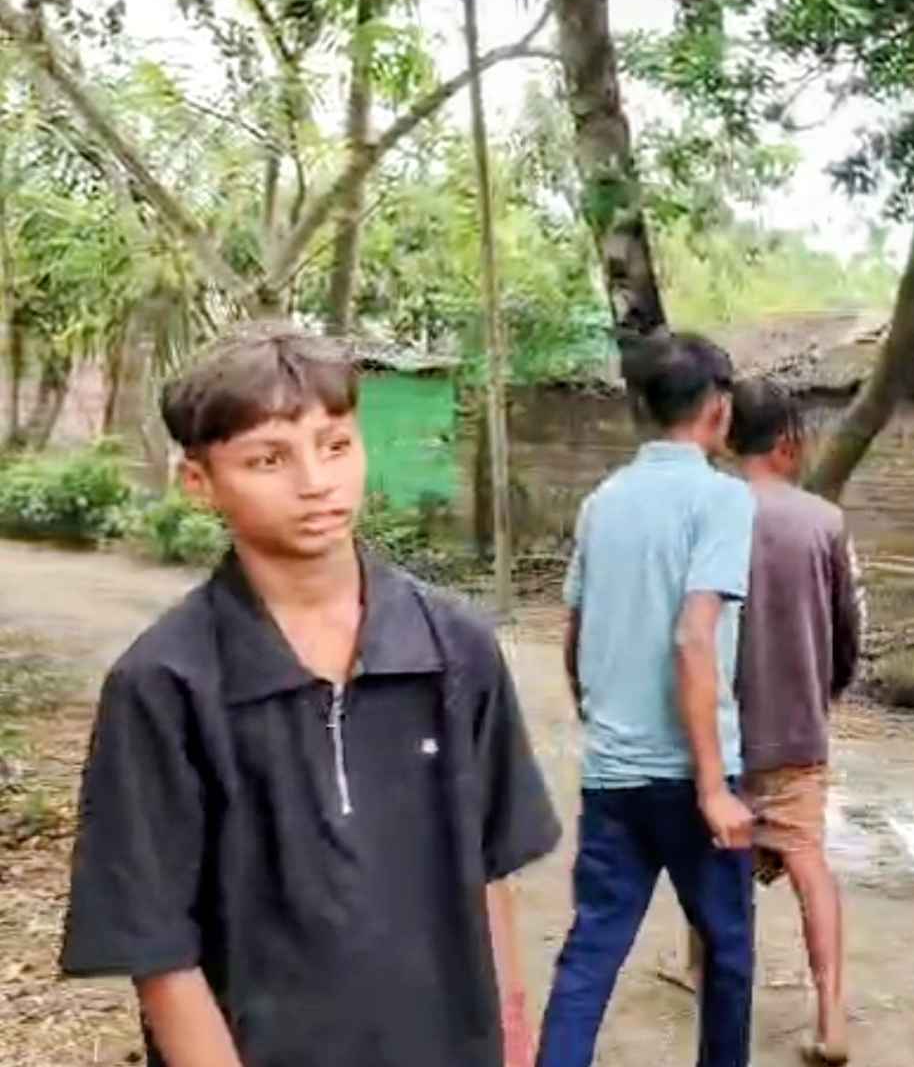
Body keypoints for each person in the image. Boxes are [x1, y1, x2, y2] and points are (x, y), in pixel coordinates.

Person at [60, 323, 560, 1067]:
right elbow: (160, 952)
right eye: (269, 459)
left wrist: (514, 1042)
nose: (315, 481)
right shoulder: (164, 686)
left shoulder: (456, 650)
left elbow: (490, 871)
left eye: (335, 445)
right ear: (199, 481)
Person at [536, 333, 758, 1067]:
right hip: (693, 779)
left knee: (591, 949)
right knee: (726, 953)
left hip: (614, 776)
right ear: (719, 408)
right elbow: (694, 637)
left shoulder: (603, 502)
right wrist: (712, 788)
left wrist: (598, 716)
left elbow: (575, 632)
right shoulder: (723, 500)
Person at [724, 380, 863, 1065]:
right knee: (809, 862)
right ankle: (831, 1016)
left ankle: (705, 974)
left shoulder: (709, 511)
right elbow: (848, 628)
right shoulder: (824, 522)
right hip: (797, 728)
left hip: (723, 730)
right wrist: (825, 691)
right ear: (788, 443)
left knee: (720, 855)